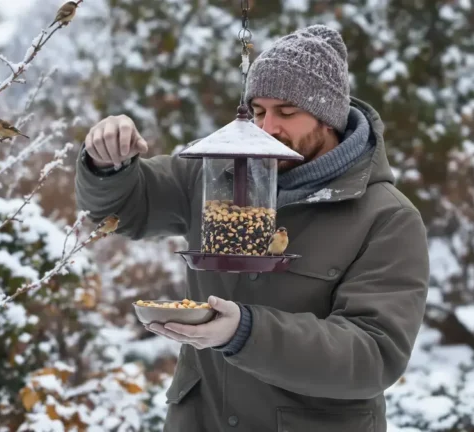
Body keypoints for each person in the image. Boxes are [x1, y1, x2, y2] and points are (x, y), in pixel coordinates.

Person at [74, 24, 429, 432]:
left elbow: (372, 355)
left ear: (329, 117)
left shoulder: (386, 218)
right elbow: (121, 208)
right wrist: (107, 162)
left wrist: (246, 332)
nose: (267, 128)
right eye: (258, 111)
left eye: (287, 113)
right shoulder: (215, 172)